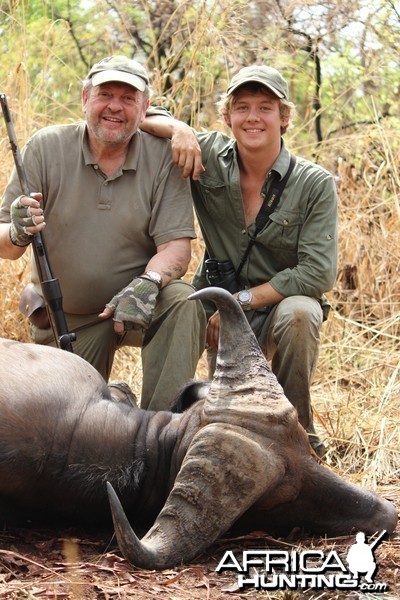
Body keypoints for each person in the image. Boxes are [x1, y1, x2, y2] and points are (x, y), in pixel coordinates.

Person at [142, 65, 338, 456]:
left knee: (302, 313)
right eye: (242, 106)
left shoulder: (314, 183)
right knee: (181, 303)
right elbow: (144, 117)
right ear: (228, 115)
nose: (253, 117)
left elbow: (317, 272)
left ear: (284, 118)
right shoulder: (209, 152)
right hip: (215, 297)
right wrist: (181, 130)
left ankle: (296, 435)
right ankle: (154, 436)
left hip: (273, 306)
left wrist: (238, 304)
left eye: (265, 107)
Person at [0, 55, 206, 411]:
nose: (115, 106)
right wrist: (18, 231)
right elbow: (6, 244)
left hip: (136, 307)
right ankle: (115, 401)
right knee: (67, 426)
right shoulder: (45, 147)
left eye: (128, 98)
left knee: (183, 302)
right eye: (104, 94)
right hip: (70, 316)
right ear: (84, 99)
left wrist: (149, 282)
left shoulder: (163, 155)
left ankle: (160, 431)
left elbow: (176, 246)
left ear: (144, 110)